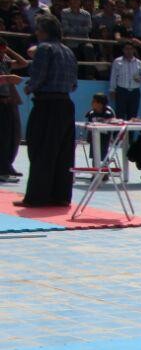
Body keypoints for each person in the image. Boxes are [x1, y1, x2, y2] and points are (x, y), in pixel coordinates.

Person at [17, 15, 76, 207]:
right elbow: (73, 84)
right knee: (62, 152)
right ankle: (59, 195)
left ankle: (37, 196)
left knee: (40, 149)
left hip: (47, 105)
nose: (36, 33)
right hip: (66, 104)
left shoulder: (44, 48)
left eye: (38, 29)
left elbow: (39, 76)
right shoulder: (68, 51)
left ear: (44, 32)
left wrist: (28, 87)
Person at [0, 40, 27, 180]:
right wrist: (7, 78)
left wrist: (8, 50)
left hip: (7, 101)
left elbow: (23, 63)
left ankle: (6, 166)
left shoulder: (4, 60)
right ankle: (3, 169)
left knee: (10, 137)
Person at [108, 39, 141, 119]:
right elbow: (113, 77)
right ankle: (121, 132)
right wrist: (112, 90)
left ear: (134, 50)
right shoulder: (117, 61)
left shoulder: (139, 63)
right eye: (127, 49)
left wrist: (140, 79)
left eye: (131, 49)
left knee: (132, 116)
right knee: (120, 115)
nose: (129, 51)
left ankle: (130, 132)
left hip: (135, 91)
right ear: (123, 50)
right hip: (121, 91)